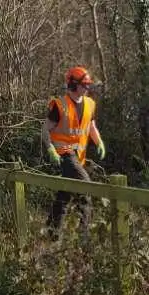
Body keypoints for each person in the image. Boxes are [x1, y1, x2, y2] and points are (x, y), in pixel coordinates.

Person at [42, 66, 106, 241]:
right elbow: (45, 130)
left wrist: (99, 142)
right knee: (86, 188)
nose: (87, 88)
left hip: (79, 157)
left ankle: (51, 233)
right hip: (64, 154)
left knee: (65, 195)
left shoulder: (90, 104)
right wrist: (50, 149)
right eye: (84, 85)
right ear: (73, 85)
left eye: (88, 85)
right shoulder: (60, 105)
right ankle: (84, 238)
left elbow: (91, 127)